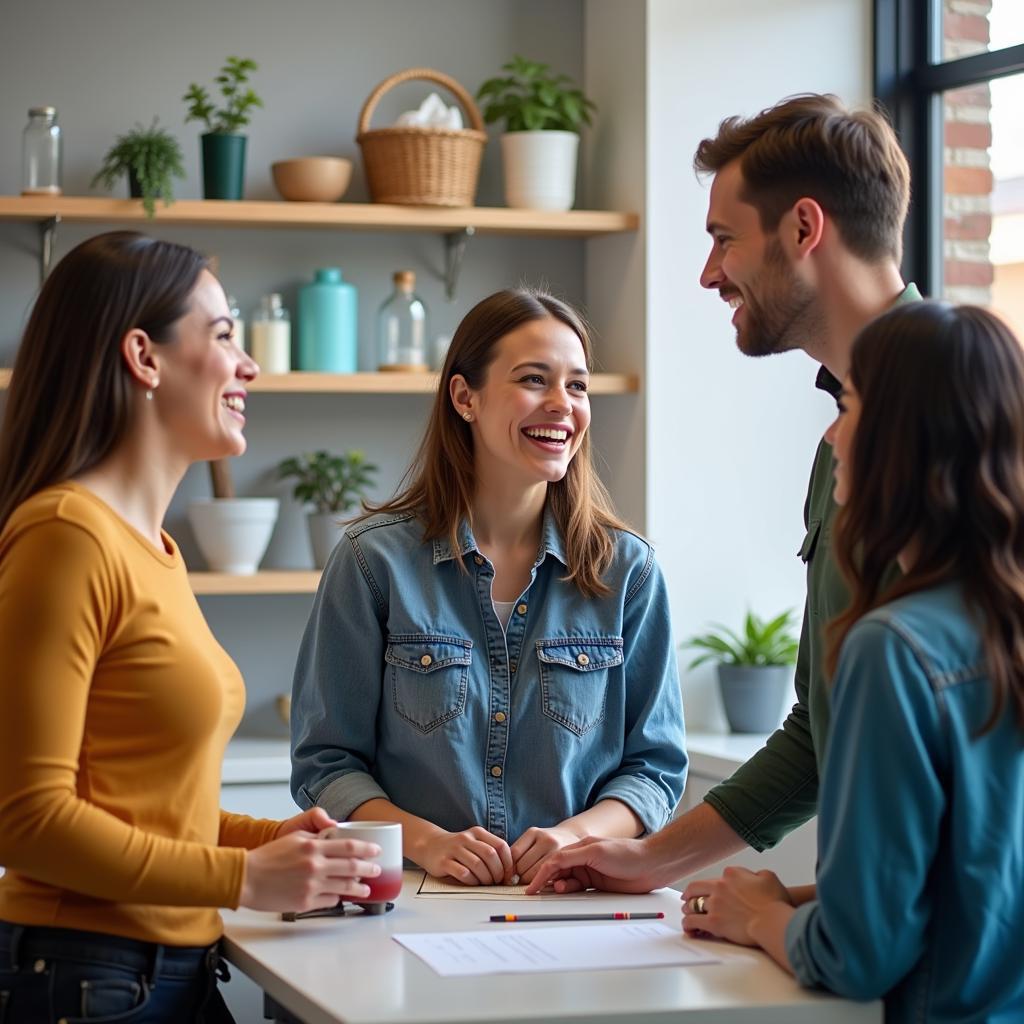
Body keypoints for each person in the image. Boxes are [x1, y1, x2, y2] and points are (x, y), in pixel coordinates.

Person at [529, 93, 921, 895]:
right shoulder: (838, 441)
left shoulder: (967, 425)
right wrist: (645, 861)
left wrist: (804, 920)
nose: (708, 274)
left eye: (722, 239)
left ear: (804, 229)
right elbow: (822, 738)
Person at [0, 232, 382, 1023]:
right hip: (87, 978)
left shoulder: (156, 550)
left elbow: (146, 809)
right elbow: (27, 820)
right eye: (222, 336)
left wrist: (270, 841)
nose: (248, 366)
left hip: (160, 976)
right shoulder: (67, 536)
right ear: (144, 356)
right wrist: (243, 880)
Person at [679, 302, 1024, 1023]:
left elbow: (860, 955)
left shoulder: (891, 648)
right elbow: (975, 887)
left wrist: (757, 921)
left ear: (908, 436)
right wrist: (786, 898)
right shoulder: (999, 622)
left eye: (852, 404)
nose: (833, 433)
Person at [290, 288, 687, 886]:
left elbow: (654, 769)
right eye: (534, 379)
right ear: (464, 397)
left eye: (577, 386)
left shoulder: (626, 572)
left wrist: (573, 837)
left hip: (569, 905)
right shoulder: (372, 562)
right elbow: (326, 763)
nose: (562, 405)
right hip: (412, 900)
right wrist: (428, 843)